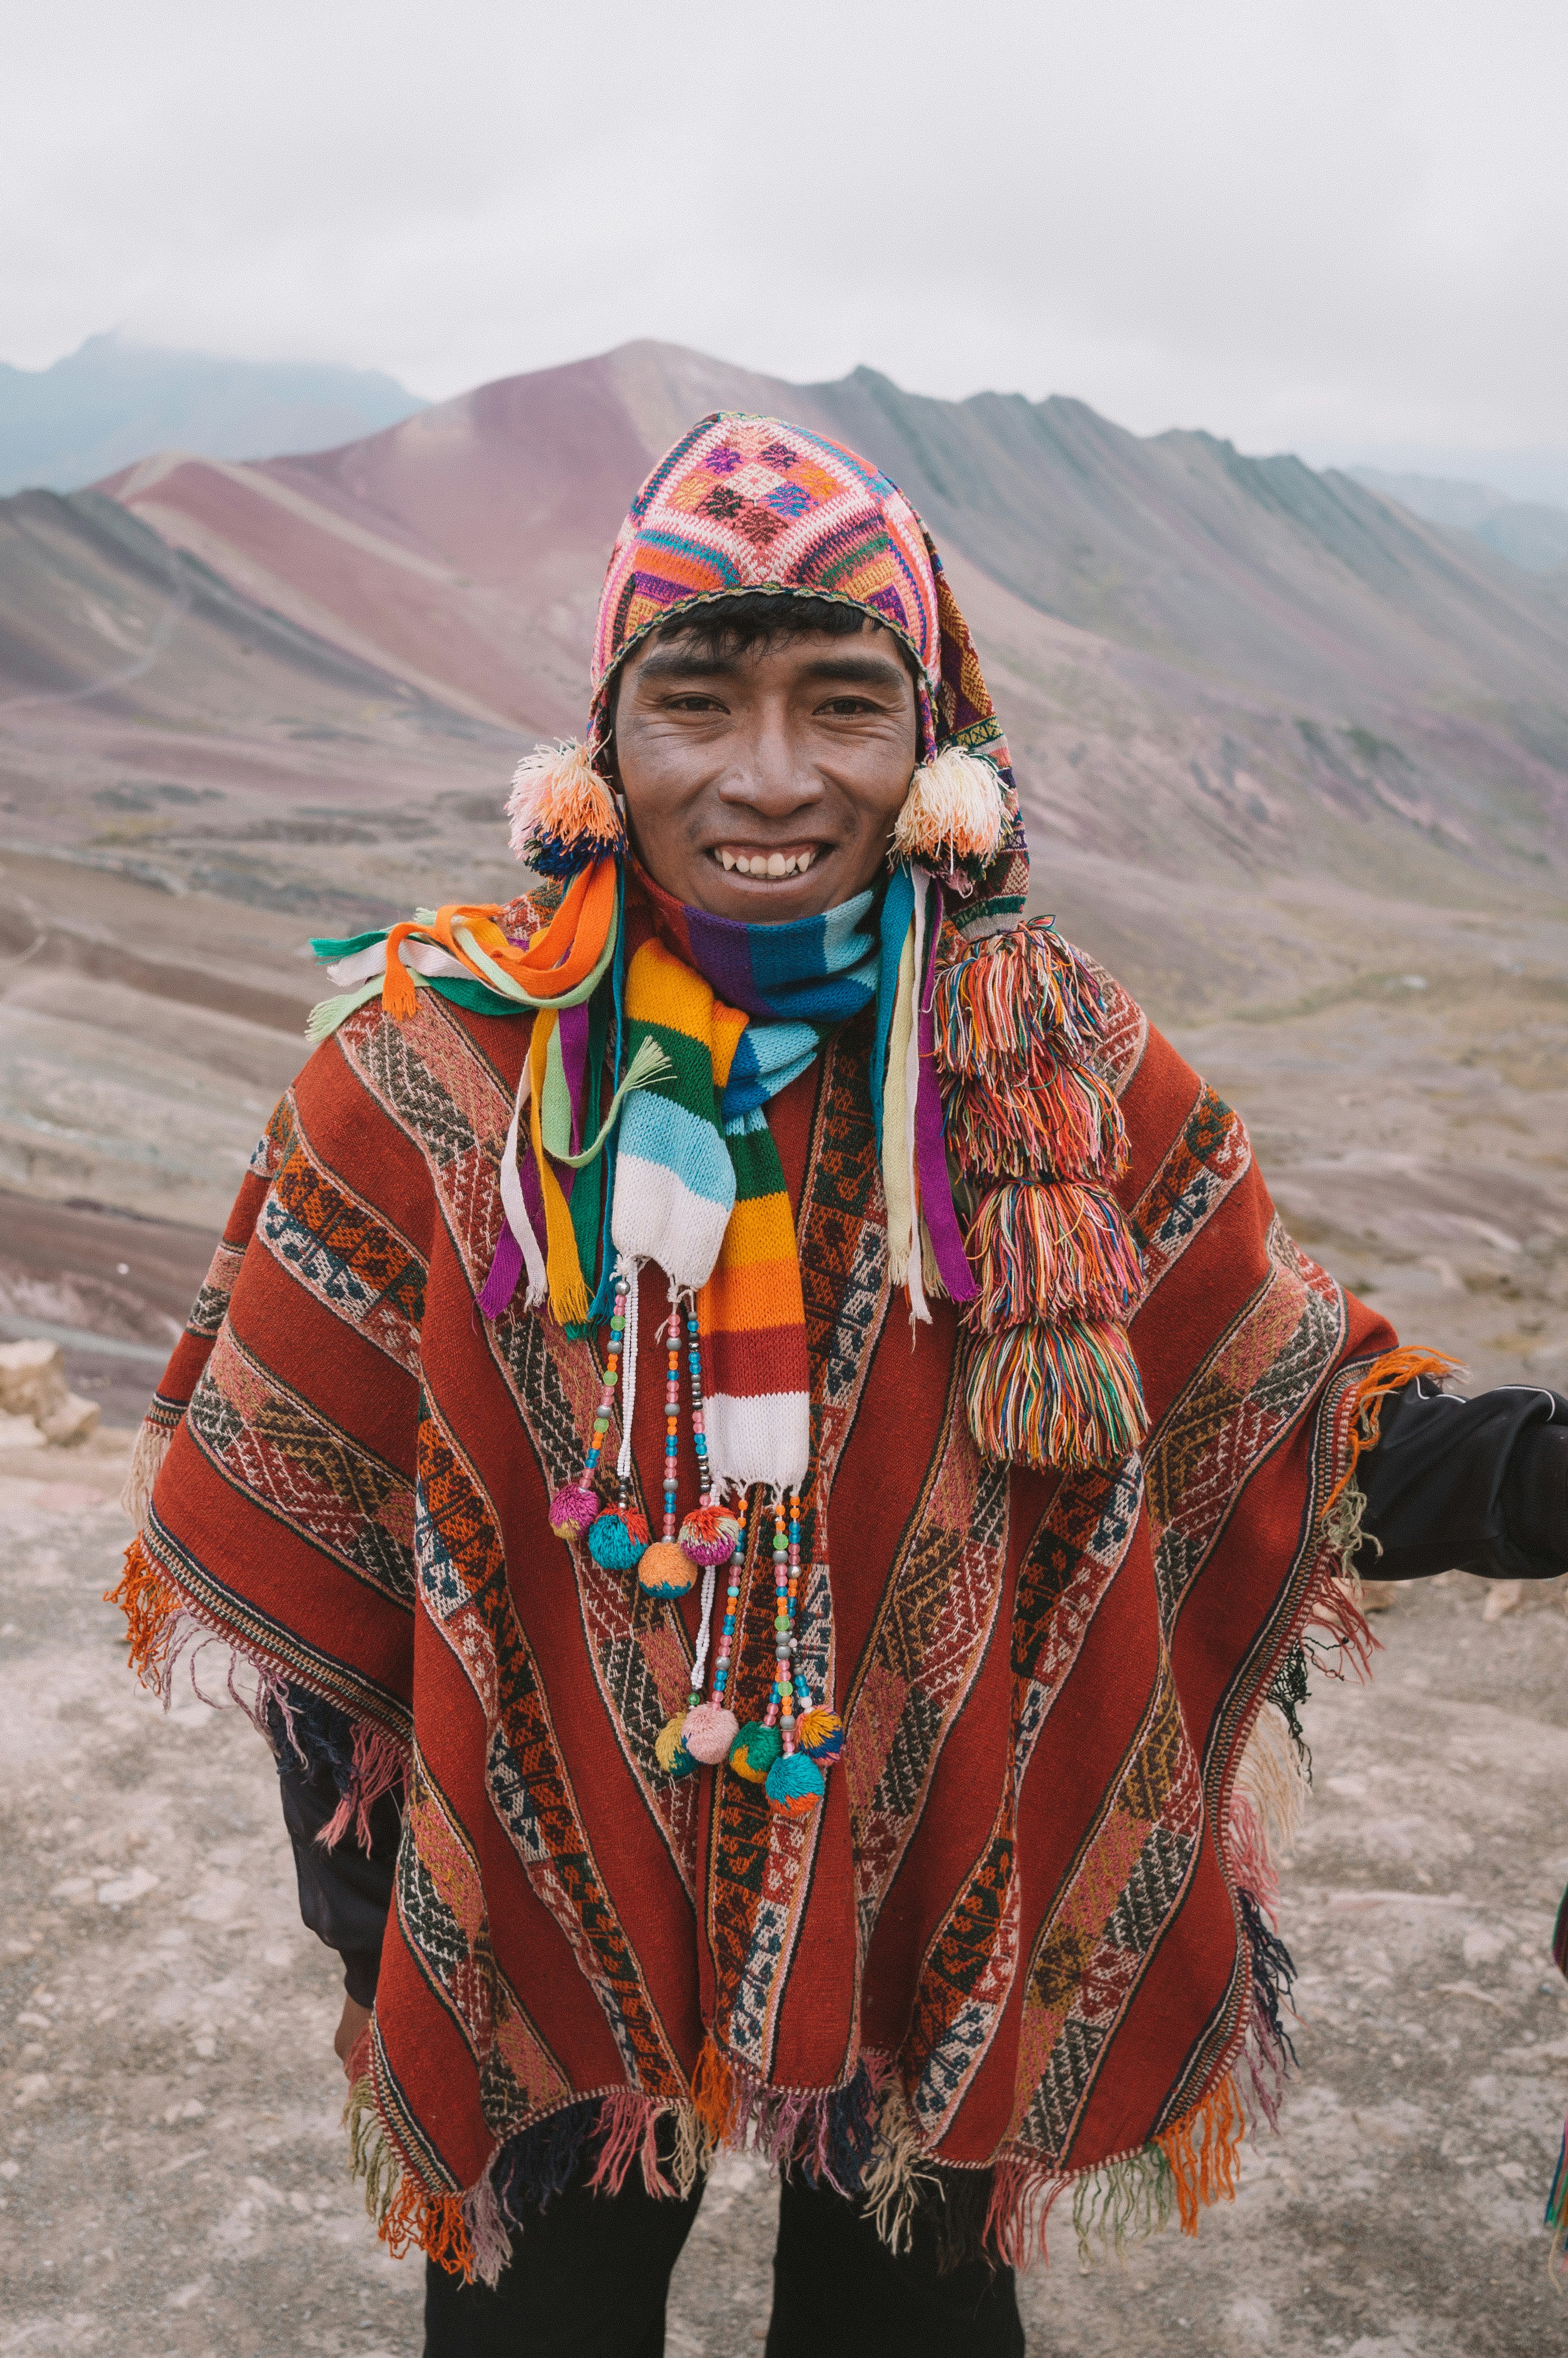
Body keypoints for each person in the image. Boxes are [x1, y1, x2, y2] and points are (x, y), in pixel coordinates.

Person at [112, 414, 1568, 2355]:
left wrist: (1540, 1475)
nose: (770, 777)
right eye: (696, 701)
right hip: (550, 1922)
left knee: (913, 2331)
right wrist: (387, 1898)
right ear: (603, 738)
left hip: (934, 1912)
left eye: (845, 705)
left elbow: (1284, 1398)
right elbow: (307, 1489)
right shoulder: (432, 1084)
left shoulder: (1054, 1081)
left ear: (934, 741)